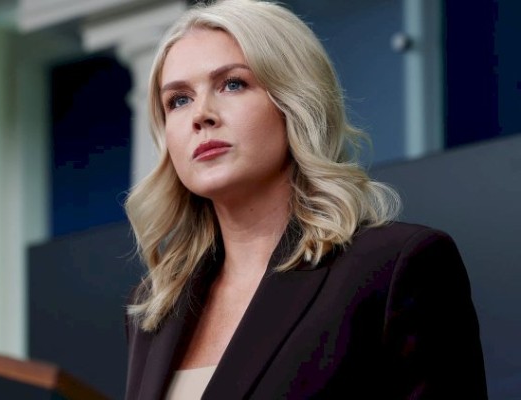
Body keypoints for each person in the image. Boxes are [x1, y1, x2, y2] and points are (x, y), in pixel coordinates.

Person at [123, 0, 487, 398]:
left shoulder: (396, 265)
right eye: (178, 100)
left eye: (233, 84)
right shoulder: (155, 306)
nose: (201, 115)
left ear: (295, 101)